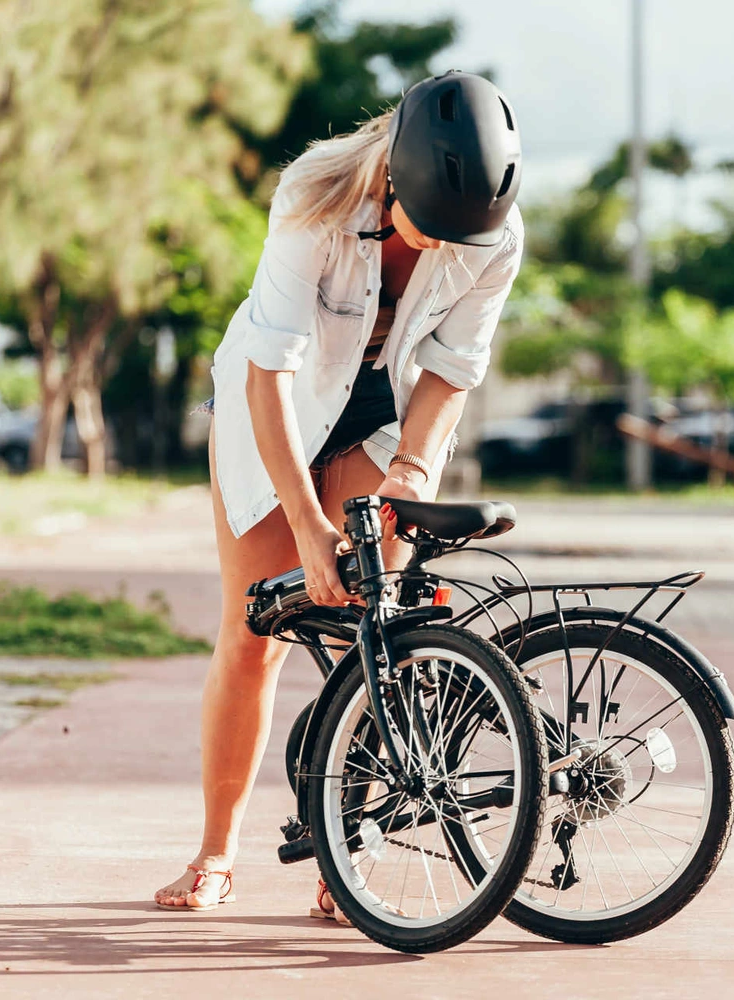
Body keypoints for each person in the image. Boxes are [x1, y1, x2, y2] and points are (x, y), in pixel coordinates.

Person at [153, 70, 523, 916]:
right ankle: (216, 854)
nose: (437, 249)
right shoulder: (313, 194)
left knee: (378, 629)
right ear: (395, 176)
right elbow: (271, 371)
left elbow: (452, 370)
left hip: (385, 409)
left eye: (455, 239)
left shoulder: (495, 232)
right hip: (273, 401)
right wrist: (310, 526)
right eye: (426, 230)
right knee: (258, 627)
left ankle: (344, 850)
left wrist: (411, 474)